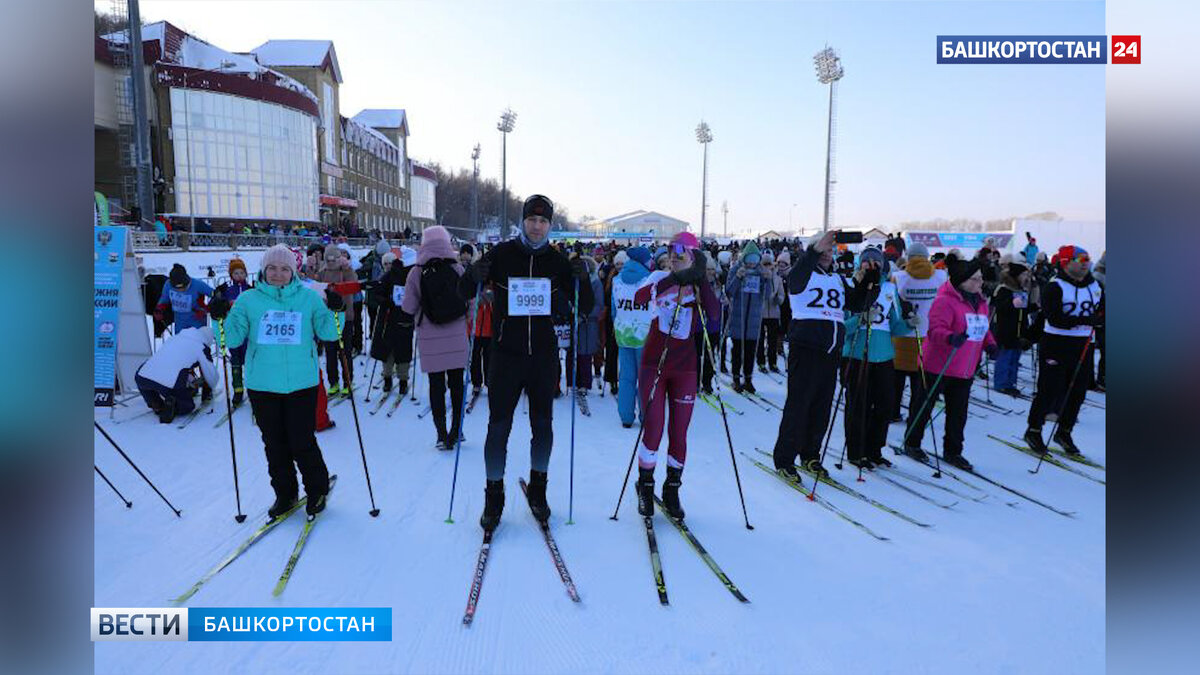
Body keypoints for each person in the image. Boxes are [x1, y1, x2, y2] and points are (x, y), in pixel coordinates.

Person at [459, 194, 593, 531]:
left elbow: (586, 306)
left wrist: (583, 278)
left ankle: (538, 489)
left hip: (543, 358)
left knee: (543, 426)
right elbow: (463, 291)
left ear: (550, 225)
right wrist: (474, 273)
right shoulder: (503, 253)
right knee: (498, 428)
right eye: (532, 220)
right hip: (505, 355)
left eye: (543, 221)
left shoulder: (558, 261)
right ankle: (494, 495)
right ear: (523, 221)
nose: (537, 226)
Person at [209, 244, 340, 518]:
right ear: (263, 270)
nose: (278, 274)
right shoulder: (248, 301)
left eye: (284, 269)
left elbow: (329, 334)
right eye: (272, 268)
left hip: (302, 384)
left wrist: (336, 311)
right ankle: (285, 493)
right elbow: (229, 341)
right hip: (263, 385)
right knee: (274, 443)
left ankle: (316, 490)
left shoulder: (308, 299)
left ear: (293, 271)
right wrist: (219, 316)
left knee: (302, 440)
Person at [632, 232, 718, 519]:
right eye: (670, 252)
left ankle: (671, 490)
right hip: (653, 364)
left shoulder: (698, 283)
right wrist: (674, 280)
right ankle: (645, 487)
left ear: (693, 257)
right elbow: (639, 297)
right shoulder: (658, 276)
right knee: (653, 429)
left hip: (685, 368)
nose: (674, 256)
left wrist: (699, 278)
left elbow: (716, 316)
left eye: (681, 253)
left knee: (679, 432)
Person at [771, 230, 870, 480]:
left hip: (831, 351)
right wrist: (814, 250)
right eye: (823, 250)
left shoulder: (837, 279)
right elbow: (795, 278)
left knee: (821, 407)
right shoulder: (802, 274)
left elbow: (858, 303)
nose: (828, 254)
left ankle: (810, 454)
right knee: (799, 405)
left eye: (830, 250)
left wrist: (872, 277)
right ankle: (785, 458)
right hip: (806, 349)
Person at [902, 259, 998, 470]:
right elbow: (935, 330)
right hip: (937, 366)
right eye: (975, 279)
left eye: (981, 278)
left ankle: (953, 451)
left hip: (965, 368)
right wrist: (951, 337)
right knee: (923, 407)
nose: (980, 283)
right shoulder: (945, 301)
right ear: (962, 281)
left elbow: (983, 328)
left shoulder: (980, 302)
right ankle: (912, 442)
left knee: (958, 413)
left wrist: (990, 345)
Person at [1023, 245, 1104, 455]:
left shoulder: (1095, 286)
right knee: (1050, 389)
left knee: (1078, 391)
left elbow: (1102, 309)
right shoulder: (1055, 287)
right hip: (1056, 343)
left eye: (1087, 259)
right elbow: (1055, 318)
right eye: (1080, 260)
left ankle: (1064, 431)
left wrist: (1100, 320)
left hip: (1084, 344)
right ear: (1066, 263)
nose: (1085, 264)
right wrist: (1087, 320)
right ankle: (1034, 429)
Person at [841, 248, 911, 469]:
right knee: (858, 404)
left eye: (876, 261)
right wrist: (861, 319)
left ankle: (874, 449)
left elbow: (895, 325)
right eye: (866, 261)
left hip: (883, 356)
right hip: (856, 353)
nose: (871, 264)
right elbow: (841, 326)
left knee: (884, 405)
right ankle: (856, 451)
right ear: (860, 264)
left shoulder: (890, 288)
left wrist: (910, 324)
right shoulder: (851, 286)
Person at [402, 226, 470, 450]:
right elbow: (471, 307)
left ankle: (441, 435)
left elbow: (408, 307)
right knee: (457, 385)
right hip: (456, 336)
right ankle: (457, 430)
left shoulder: (416, 272)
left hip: (430, 339)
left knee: (436, 386)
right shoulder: (458, 269)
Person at [890, 242, 947, 424]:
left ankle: (893, 412)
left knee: (897, 378)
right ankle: (917, 414)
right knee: (920, 379)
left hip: (903, 333)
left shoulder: (899, 277)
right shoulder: (940, 276)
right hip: (928, 334)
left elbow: (892, 303)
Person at [134, 326, 218, 423]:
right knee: (187, 406)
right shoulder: (201, 347)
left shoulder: (176, 338)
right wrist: (208, 387)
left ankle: (156, 404)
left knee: (149, 385)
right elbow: (210, 373)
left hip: (143, 376)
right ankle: (173, 404)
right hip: (168, 382)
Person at [611, 246, 654, 427]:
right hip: (644, 335)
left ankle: (626, 416)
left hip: (623, 334)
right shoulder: (649, 281)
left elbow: (614, 309)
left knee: (626, 377)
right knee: (645, 378)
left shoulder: (617, 280)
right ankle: (646, 415)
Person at [367, 252, 415, 396]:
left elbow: (376, 294)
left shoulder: (389, 276)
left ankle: (389, 379)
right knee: (403, 351)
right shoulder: (411, 276)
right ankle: (402, 382)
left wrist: (384, 301)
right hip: (403, 318)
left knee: (389, 351)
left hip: (389, 318)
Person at [724, 242, 768, 393]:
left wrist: (767, 280)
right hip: (738, 316)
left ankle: (748, 379)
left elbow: (767, 296)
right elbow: (729, 291)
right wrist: (737, 277)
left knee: (750, 351)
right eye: (749, 260)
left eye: (754, 261)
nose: (751, 264)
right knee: (737, 350)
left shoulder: (761, 273)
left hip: (754, 319)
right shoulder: (736, 269)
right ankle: (736, 378)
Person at [990, 258, 1035, 396]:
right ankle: (1001, 383)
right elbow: (999, 307)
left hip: (1019, 329)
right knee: (1005, 357)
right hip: (1006, 330)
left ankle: (1011, 383)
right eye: (1023, 275)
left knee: (1015, 358)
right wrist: (1011, 303)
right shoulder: (1004, 289)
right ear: (1016, 276)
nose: (1026, 278)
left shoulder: (1022, 290)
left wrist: (1033, 307)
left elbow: (1023, 309)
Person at [317, 244, 357, 395]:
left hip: (345, 317)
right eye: (328, 260)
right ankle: (333, 382)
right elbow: (314, 287)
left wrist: (347, 268)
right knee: (330, 352)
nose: (331, 263)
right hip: (328, 318)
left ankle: (348, 381)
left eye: (334, 260)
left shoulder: (344, 271)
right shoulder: (323, 272)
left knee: (345, 351)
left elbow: (354, 283)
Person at [212, 258, 253, 405]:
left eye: (242, 272)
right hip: (233, 331)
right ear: (231, 275)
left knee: (249, 362)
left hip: (248, 333)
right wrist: (220, 300)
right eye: (236, 273)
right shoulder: (228, 291)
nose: (239, 275)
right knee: (235, 362)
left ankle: (253, 389)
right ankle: (238, 390)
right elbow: (219, 308)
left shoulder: (250, 289)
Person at [755, 251, 786, 374]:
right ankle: (761, 362)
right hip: (761, 313)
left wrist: (779, 299)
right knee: (760, 339)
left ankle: (772, 362)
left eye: (769, 264)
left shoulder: (777, 277)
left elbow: (782, 293)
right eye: (765, 264)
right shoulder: (758, 276)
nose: (767, 266)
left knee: (772, 340)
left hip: (773, 312)